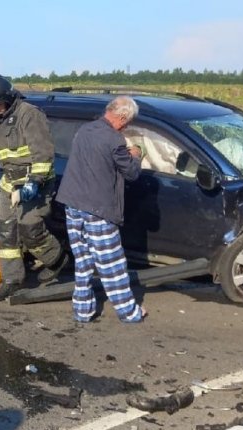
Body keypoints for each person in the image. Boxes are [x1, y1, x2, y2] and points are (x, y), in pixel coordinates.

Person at [0, 75, 69, 301]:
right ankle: (11, 280)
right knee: (7, 234)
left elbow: (43, 154)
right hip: (9, 184)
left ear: (9, 99)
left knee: (29, 228)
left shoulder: (29, 114)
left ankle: (56, 258)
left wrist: (35, 182)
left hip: (33, 183)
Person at [56, 96, 147, 324]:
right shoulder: (115, 140)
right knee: (112, 264)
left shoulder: (85, 130)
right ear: (122, 117)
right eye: (128, 122)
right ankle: (129, 312)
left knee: (83, 260)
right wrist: (135, 155)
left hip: (73, 204)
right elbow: (131, 173)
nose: (127, 126)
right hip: (97, 209)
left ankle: (83, 310)